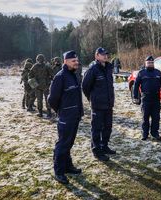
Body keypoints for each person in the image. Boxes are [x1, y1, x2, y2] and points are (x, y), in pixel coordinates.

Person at [48, 50, 83, 185]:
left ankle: (68, 166)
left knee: (69, 143)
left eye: (77, 60)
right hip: (66, 116)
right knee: (62, 144)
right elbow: (52, 99)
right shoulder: (60, 77)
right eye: (73, 61)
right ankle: (59, 171)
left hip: (75, 116)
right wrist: (61, 111)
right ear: (65, 61)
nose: (76, 62)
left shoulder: (73, 75)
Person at [82, 47, 115, 162]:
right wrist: (91, 98)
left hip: (108, 104)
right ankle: (97, 150)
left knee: (108, 127)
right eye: (102, 54)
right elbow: (85, 86)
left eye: (106, 54)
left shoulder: (108, 68)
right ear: (96, 56)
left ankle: (104, 146)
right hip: (97, 105)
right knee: (96, 129)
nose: (105, 56)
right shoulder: (93, 69)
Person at [133, 56, 161, 141]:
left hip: (156, 98)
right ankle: (145, 134)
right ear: (145, 63)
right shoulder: (141, 73)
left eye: (152, 63)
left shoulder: (158, 73)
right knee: (145, 117)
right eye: (148, 62)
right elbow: (136, 85)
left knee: (156, 117)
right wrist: (135, 96)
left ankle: (154, 133)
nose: (150, 64)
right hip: (146, 98)